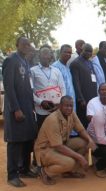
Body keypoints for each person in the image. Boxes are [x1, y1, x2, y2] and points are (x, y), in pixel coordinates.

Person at [34, 96, 97, 185]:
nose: (69, 108)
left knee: (85, 143)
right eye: (66, 106)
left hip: (61, 145)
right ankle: (45, 172)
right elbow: (58, 146)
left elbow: (81, 130)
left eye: (71, 106)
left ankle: (67, 172)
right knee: (70, 163)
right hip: (45, 150)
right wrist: (80, 157)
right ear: (60, 106)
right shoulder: (53, 120)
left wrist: (90, 140)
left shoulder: (72, 114)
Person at [3, 37, 38, 187]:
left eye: (28, 44)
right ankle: (12, 175)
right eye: (23, 44)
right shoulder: (11, 61)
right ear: (17, 45)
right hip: (15, 110)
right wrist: (16, 109)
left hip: (27, 109)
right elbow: (9, 88)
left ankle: (24, 169)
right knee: (15, 142)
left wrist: (31, 106)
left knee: (28, 139)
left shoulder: (25, 62)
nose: (26, 46)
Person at [31, 47, 66, 129]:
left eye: (48, 55)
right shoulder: (32, 71)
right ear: (39, 56)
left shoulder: (56, 71)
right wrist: (41, 102)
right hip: (41, 110)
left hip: (56, 109)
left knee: (56, 133)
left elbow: (62, 88)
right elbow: (29, 91)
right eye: (44, 54)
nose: (46, 57)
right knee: (43, 135)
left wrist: (60, 103)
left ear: (51, 57)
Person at [70, 43, 99, 127]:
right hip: (83, 97)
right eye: (87, 51)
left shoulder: (90, 62)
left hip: (92, 95)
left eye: (90, 51)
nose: (89, 53)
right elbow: (76, 83)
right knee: (83, 119)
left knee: (92, 118)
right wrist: (80, 98)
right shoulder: (75, 63)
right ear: (81, 50)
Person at [53, 44, 76, 109]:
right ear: (60, 52)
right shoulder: (55, 67)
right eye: (65, 52)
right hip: (62, 103)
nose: (68, 54)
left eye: (69, 53)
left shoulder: (67, 67)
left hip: (71, 101)